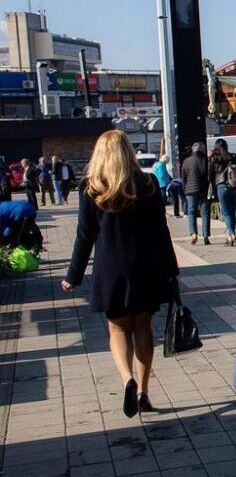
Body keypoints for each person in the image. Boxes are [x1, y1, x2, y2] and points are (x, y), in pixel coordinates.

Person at [62, 130, 179, 418]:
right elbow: (161, 232)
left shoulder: (91, 188)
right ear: (129, 153)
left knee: (117, 329)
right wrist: (172, 270)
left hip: (110, 269)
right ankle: (143, 391)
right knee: (143, 328)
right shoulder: (148, 184)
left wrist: (73, 276)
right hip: (146, 267)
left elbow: (84, 236)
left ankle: (126, 378)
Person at [208, 139, 236, 247]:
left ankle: (232, 235)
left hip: (221, 186)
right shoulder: (234, 156)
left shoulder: (214, 159)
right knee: (232, 211)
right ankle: (230, 237)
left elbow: (210, 175)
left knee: (226, 213)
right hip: (234, 186)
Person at [181, 142, 211, 245]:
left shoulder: (186, 161)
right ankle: (205, 235)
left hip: (190, 190)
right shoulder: (204, 160)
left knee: (191, 211)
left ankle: (193, 233)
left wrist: (185, 190)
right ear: (201, 150)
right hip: (203, 189)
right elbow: (206, 174)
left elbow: (183, 178)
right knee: (205, 212)